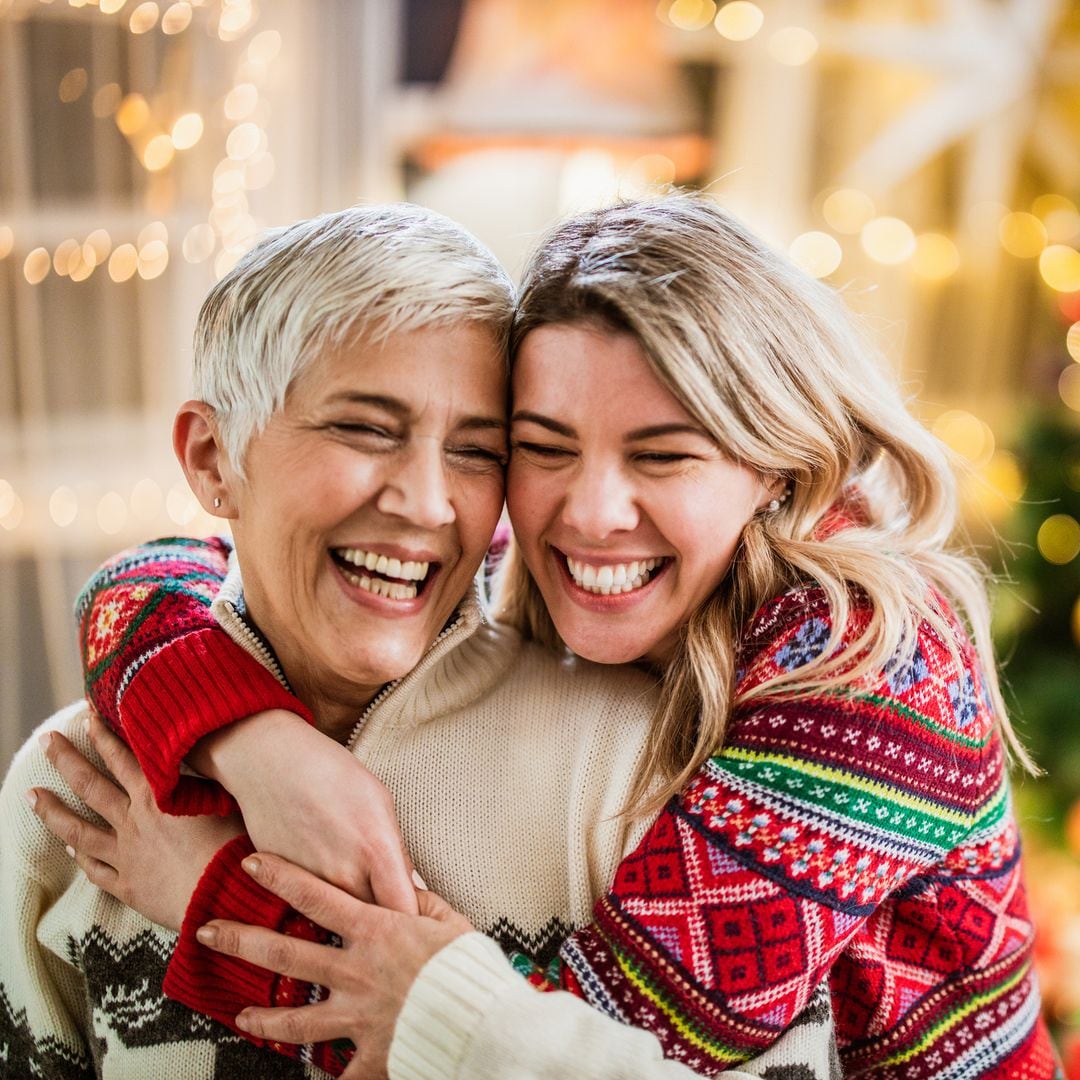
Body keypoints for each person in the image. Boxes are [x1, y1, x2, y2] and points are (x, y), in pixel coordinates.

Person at [1, 201, 835, 1079]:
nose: (428, 503)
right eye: (364, 429)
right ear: (214, 460)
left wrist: (226, 907)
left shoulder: (648, 770)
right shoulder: (82, 784)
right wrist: (242, 735)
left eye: (476, 451)